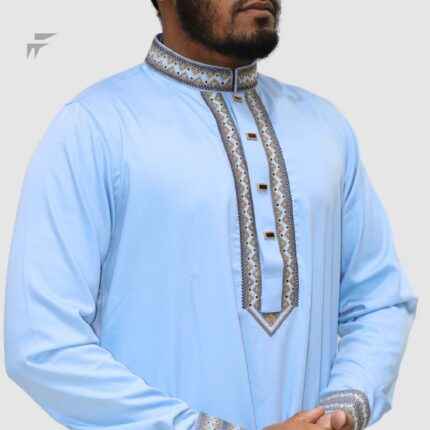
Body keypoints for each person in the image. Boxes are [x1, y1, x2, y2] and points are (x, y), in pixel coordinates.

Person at [4, 1, 418, 429]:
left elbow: (380, 300)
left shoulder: (324, 127)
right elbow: (43, 342)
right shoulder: (95, 127)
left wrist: (338, 413)